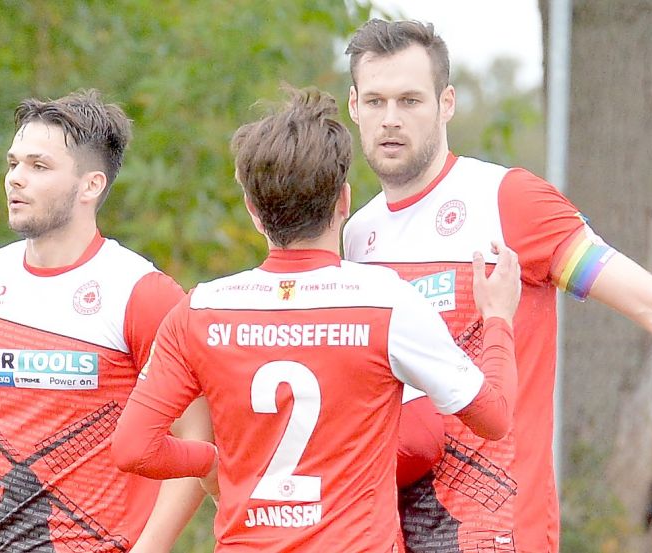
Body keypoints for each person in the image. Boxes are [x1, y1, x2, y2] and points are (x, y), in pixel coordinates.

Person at [341, 18, 652, 553]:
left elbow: (649, 300)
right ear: (353, 107)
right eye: (376, 101)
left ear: (446, 103)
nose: (390, 119)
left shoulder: (508, 201)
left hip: (500, 532)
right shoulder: (356, 236)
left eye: (410, 100)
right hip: (389, 533)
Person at [110, 86, 523, 552]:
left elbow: (132, 448)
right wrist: (498, 320)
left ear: (253, 211)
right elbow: (494, 417)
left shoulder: (199, 310)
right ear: (343, 200)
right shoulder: (386, 302)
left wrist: (212, 462)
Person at [0, 89, 209, 553]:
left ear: (91, 185)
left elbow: (198, 438)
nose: (15, 179)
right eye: (13, 163)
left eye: (39, 166)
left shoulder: (141, 292)